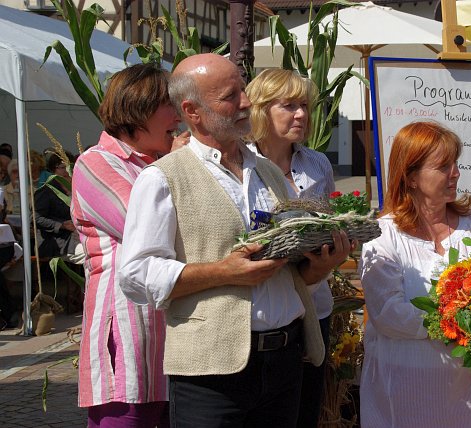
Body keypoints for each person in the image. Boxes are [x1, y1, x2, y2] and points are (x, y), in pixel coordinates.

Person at [119, 54, 353, 428]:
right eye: (231, 96)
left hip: (284, 362)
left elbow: (288, 274)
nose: (245, 102)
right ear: (192, 111)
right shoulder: (162, 178)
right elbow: (136, 274)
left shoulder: (268, 173)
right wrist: (224, 272)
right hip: (211, 371)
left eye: (242, 90)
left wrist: (318, 267)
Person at [358, 121, 471, 428]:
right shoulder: (383, 237)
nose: (455, 173)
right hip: (406, 395)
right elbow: (389, 315)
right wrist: (459, 320)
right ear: (411, 177)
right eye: (443, 166)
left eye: (455, 163)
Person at [71, 63, 185, 427]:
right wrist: (180, 163)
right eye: (169, 105)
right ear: (138, 108)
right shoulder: (95, 163)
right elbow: (148, 227)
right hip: (128, 337)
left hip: (172, 339)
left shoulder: (159, 163)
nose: (179, 116)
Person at [245, 68, 335, 428]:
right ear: (260, 110)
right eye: (289, 106)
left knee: (305, 410)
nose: (301, 114)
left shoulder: (317, 164)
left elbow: (328, 222)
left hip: (316, 303)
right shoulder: (243, 165)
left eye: (305, 106)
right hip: (268, 310)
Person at [33, 153, 76, 258]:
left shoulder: (78, 189)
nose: (67, 171)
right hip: (56, 242)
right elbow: (35, 218)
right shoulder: (46, 191)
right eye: (62, 167)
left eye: (70, 167)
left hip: (77, 238)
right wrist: (61, 225)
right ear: (53, 170)